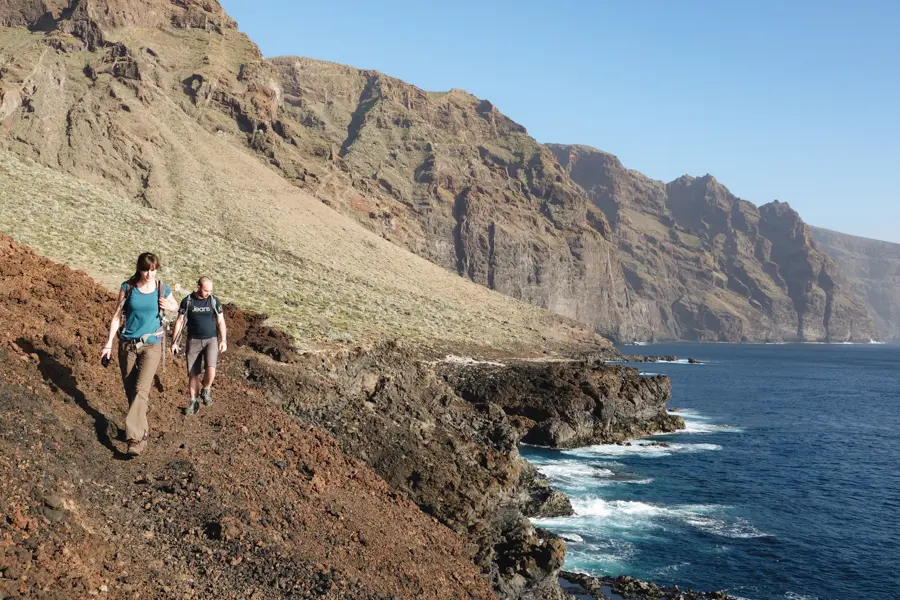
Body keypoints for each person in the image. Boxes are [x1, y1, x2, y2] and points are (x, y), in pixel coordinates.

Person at [101, 253, 178, 456]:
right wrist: (108, 344)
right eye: (146, 270)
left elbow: (176, 306)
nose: (150, 274)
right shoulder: (128, 288)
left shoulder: (162, 288)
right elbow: (116, 317)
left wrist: (170, 306)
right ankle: (142, 430)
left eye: (153, 270)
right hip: (127, 345)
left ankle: (134, 440)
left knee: (141, 389)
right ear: (139, 269)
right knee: (131, 391)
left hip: (152, 345)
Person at [171, 276, 227, 415]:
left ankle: (206, 389)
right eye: (206, 290)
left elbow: (221, 320)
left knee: (211, 368)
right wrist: (174, 342)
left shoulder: (214, 301)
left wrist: (223, 340)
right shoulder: (187, 301)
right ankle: (193, 402)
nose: (209, 293)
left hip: (211, 340)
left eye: (210, 290)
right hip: (193, 341)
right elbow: (180, 321)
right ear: (198, 287)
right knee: (193, 374)